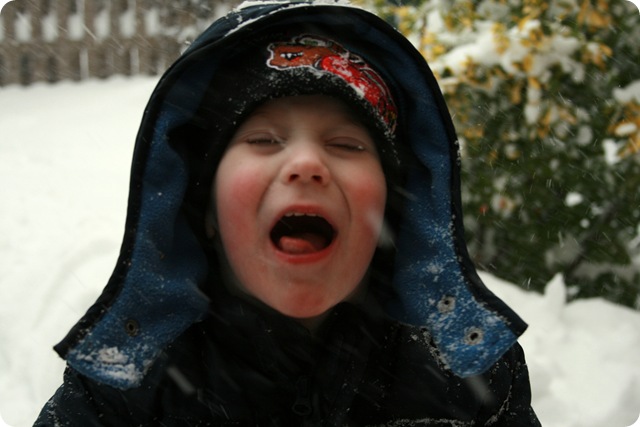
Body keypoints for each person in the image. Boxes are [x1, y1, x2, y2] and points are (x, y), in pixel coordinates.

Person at [35, 1, 541, 425]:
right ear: (206, 211)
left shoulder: (471, 382)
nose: (306, 164)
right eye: (263, 139)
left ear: (390, 210)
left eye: (345, 144)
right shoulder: (123, 392)